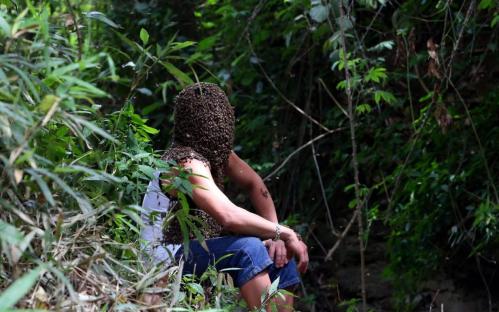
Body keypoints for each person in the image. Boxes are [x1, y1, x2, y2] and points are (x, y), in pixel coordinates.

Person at [141, 82, 308, 311]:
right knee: (249, 250)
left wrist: (277, 234)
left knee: (277, 253)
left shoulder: (216, 154)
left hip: (192, 250)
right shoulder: (185, 162)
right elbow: (227, 216)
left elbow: (254, 184)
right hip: (164, 257)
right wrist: (285, 232)